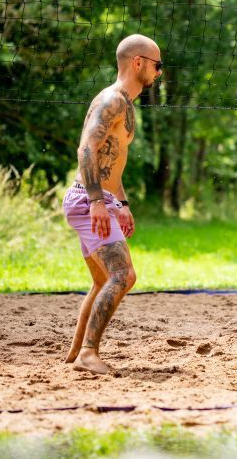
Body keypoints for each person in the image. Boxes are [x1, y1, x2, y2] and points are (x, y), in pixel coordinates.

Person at [62, 34, 162, 374]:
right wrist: (96, 202)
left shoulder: (125, 104)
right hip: (87, 198)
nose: (159, 72)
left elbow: (111, 161)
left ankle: (76, 353)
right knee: (123, 275)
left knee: (103, 280)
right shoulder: (112, 100)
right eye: (156, 65)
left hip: (101, 197)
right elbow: (87, 149)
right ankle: (90, 353)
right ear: (138, 63)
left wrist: (120, 202)